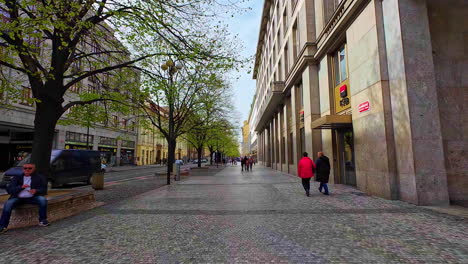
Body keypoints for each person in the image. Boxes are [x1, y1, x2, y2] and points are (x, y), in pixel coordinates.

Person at [0, 163, 49, 234]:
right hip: (18, 198)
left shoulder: (39, 178)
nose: (27, 170)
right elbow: (10, 190)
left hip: (32, 197)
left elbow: (44, 190)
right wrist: (21, 187)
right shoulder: (17, 178)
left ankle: (43, 220)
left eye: (30, 168)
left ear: (34, 169)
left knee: (43, 200)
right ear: (23, 169)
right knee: (8, 204)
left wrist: (36, 191)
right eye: (25, 168)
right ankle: (2, 226)